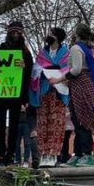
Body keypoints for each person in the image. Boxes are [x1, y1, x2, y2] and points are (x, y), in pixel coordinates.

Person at [49, 24, 94, 167]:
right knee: (78, 121)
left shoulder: (76, 49)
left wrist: (58, 79)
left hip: (80, 86)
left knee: (82, 122)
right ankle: (78, 155)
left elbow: (76, 70)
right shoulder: (88, 49)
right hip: (84, 86)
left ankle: (87, 155)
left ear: (76, 34)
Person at [0, 21, 33, 166]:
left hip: (17, 95)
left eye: (18, 33)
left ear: (21, 34)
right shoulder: (0, 49)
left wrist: (25, 66)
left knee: (14, 126)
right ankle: (1, 154)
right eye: (13, 32)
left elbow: (30, 75)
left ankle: (10, 154)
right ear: (9, 33)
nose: (15, 35)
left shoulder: (26, 53)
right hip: (2, 94)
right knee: (0, 126)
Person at [31, 27, 69, 168]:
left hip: (58, 93)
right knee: (43, 123)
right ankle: (43, 154)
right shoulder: (42, 53)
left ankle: (53, 154)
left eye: (51, 34)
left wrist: (56, 69)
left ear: (58, 37)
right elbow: (35, 69)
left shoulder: (66, 53)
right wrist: (44, 70)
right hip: (44, 91)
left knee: (56, 123)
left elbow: (68, 69)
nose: (49, 36)